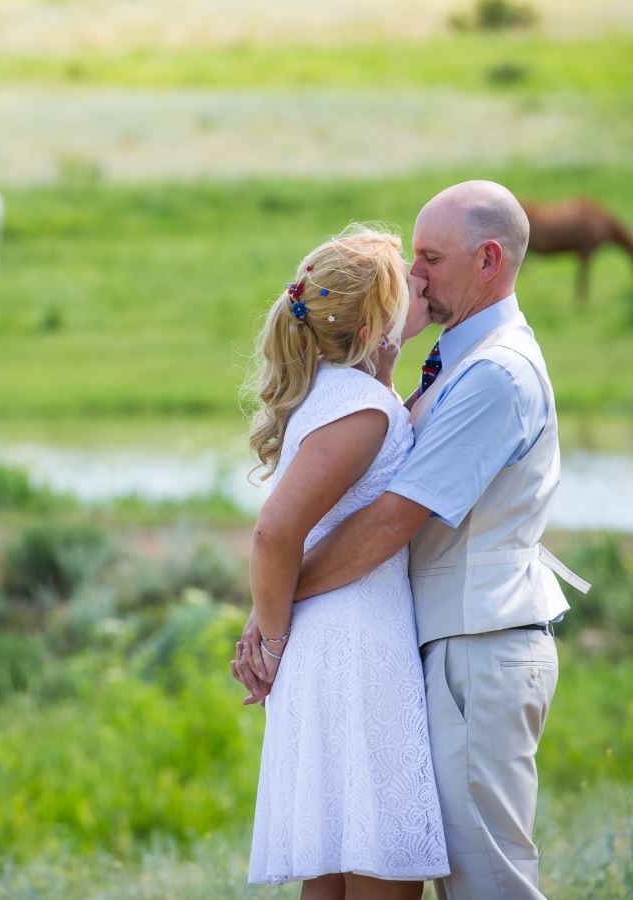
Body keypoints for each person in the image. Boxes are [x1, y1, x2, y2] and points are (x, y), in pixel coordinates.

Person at [236, 181, 591, 899]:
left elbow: (392, 521)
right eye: (413, 261)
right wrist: (271, 613)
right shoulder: (438, 369)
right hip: (424, 641)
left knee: (484, 881)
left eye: (430, 258)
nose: (416, 276)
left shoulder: (494, 373)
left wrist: (276, 612)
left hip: (477, 642)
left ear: (488, 260)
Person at [236, 225, 450, 899]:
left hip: (333, 640)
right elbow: (275, 532)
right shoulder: (362, 409)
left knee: (333, 875)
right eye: (407, 280)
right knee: (381, 868)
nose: (421, 280)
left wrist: (272, 620)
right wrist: (272, 638)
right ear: (374, 328)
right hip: (356, 652)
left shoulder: (341, 395)